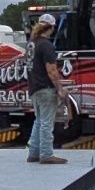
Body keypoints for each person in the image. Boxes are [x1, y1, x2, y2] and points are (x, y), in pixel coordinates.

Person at [26, 12, 67, 162]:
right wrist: (60, 88)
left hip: (34, 87)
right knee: (47, 123)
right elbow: (51, 70)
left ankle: (34, 153)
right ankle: (46, 154)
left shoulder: (31, 44)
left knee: (39, 121)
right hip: (45, 88)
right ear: (51, 28)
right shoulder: (47, 45)